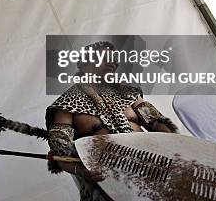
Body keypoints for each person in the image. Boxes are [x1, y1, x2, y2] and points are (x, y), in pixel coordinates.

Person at [46, 41, 178, 200]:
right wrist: (82, 171)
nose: (111, 62)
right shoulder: (66, 105)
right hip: (107, 184)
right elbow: (60, 153)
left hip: (151, 172)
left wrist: (171, 149)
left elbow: (158, 122)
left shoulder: (129, 94)